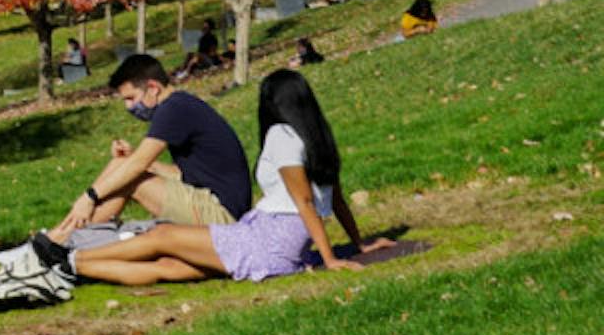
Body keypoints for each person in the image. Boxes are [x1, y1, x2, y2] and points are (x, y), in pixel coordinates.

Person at [28, 70, 384, 286]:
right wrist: (359, 243)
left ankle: (63, 256)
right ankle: (71, 265)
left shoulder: (282, 136)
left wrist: (331, 258)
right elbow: (334, 201)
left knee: (161, 237)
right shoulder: (318, 138)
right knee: (170, 267)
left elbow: (305, 203)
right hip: (275, 241)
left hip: (268, 239)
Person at [45, 54, 252, 245]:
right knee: (124, 165)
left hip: (223, 216)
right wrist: (134, 159)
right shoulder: (182, 104)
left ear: (152, 88)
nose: (129, 107)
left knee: (131, 177)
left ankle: (60, 241)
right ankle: (61, 237)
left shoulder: (173, 109)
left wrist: (89, 197)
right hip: (219, 206)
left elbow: (137, 166)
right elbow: (180, 174)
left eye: (131, 98)